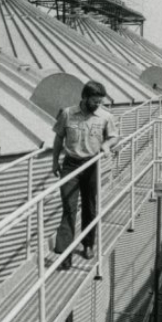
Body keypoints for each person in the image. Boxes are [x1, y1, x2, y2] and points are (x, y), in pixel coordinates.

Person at [51, 81, 117, 269]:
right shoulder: (67, 114)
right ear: (85, 98)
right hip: (71, 166)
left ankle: (88, 244)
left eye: (100, 102)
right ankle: (65, 253)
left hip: (91, 165)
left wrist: (106, 145)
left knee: (90, 206)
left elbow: (114, 136)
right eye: (95, 101)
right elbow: (59, 137)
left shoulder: (105, 117)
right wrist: (54, 161)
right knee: (69, 208)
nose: (98, 104)